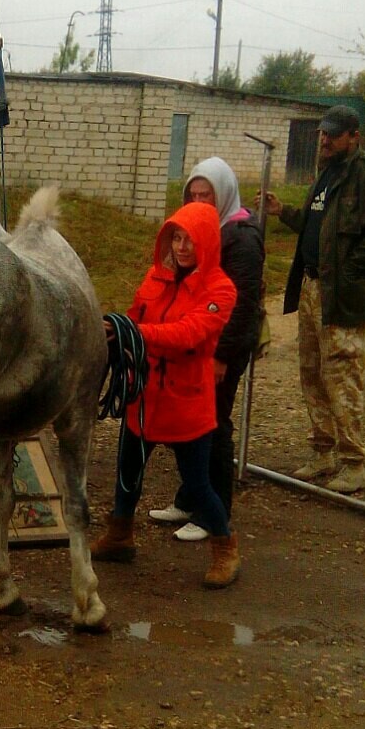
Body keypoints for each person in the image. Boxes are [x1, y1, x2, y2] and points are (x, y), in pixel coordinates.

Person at [91, 201, 240, 588]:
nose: (182, 247)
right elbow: (133, 315)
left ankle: (225, 547)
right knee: (128, 472)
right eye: (176, 238)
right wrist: (116, 331)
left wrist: (135, 333)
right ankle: (121, 535)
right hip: (144, 397)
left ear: (206, 242)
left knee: (197, 485)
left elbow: (189, 334)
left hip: (186, 404)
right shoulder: (155, 278)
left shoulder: (220, 289)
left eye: (190, 239)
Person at [262, 105, 365, 495]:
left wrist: (350, 272)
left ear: (353, 136)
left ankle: (354, 462)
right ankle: (322, 452)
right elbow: (317, 224)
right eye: (323, 133)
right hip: (310, 289)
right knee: (312, 372)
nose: (324, 140)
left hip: (337, 294)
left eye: (333, 134)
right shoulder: (326, 173)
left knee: (342, 374)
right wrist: (283, 212)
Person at [149, 158, 265, 541]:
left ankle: (215, 512)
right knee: (189, 424)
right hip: (197, 345)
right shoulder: (198, 234)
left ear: (225, 195)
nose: (200, 201)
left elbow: (243, 304)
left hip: (221, 348)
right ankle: (189, 497)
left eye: (207, 195)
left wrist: (222, 357)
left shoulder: (241, 237)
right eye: (193, 194)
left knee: (213, 425)